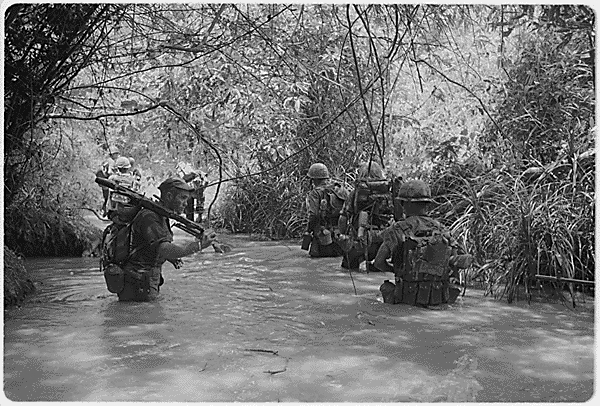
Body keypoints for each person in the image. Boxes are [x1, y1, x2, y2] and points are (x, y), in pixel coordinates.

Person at [117, 177, 217, 301]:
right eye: (183, 198)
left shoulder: (160, 215)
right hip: (138, 283)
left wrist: (170, 257)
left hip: (144, 281)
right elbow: (163, 248)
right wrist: (199, 245)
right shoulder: (150, 216)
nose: (186, 204)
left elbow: (148, 245)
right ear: (169, 196)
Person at [373, 179, 469, 307]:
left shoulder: (397, 229)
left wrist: (397, 270)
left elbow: (379, 262)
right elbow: (455, 264)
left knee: (385, 287)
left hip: (405, 297)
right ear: (427, 204)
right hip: (438, 298)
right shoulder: (442, 229)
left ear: (404, 204)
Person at [338, 161, 402, 272]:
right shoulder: (390, 194)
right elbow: (399, 217)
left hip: (360, 242)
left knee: (347, 268)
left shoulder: (356, 193)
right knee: (380, 269)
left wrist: (343, 235)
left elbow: (343, 218)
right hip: (385, 243)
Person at [304, 162, 348, 258]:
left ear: (313, 179)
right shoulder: (340, 190)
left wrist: (308, 231)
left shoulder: (315, 193)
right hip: (341, 238)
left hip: (323, 239)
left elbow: (313, 215)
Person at [106, 156, 139, 223]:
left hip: (115, 211)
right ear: (128, 168)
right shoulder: (134, 180)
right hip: (131, 212)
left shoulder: (112, 178)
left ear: (118, 168)